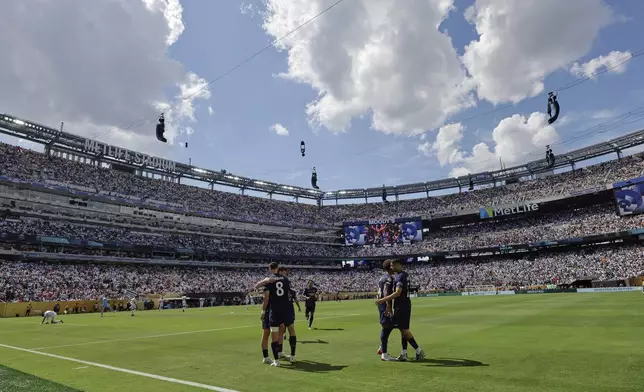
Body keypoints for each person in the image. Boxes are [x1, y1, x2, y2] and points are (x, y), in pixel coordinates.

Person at [376, 259, 425, 361]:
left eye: (393, 265)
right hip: (402, 304)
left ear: (398, 265)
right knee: (400, 328)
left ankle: (417, 350)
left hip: (400, 305)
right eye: (391, 266)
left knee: (400, 329)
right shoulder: (404, 274)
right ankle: (403, 352)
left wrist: (383, 300)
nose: (392, 267)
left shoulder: (396, 277)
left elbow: (396, 292)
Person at [255, 262, 296, 367]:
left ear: (270, 269)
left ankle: (277, 356)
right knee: (271, 332)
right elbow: (267, 297)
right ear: (278, 269)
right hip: (279, 309)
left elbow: (258, 288)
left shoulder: (269, 280)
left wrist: (265, 281)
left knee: (275, 333)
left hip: (274, 310)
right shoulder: (285, 280)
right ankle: (269, 357)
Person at [277, 266, 300, 360]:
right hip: (289, 312)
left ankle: (280, 352)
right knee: (291, 331)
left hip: (281, 311)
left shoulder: (279, 290)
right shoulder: (292, 291)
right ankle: (292, 355)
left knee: (281, 332)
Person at [376, 260, 397, 361]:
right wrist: (388, 306)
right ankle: (384, 353)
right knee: (386, 326)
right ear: (390, 267)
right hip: (384, 305)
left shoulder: (382, 277)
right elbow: (385, 292)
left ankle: (381, 347)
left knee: (391, 325)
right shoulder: (388, 278)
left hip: (382, 304)